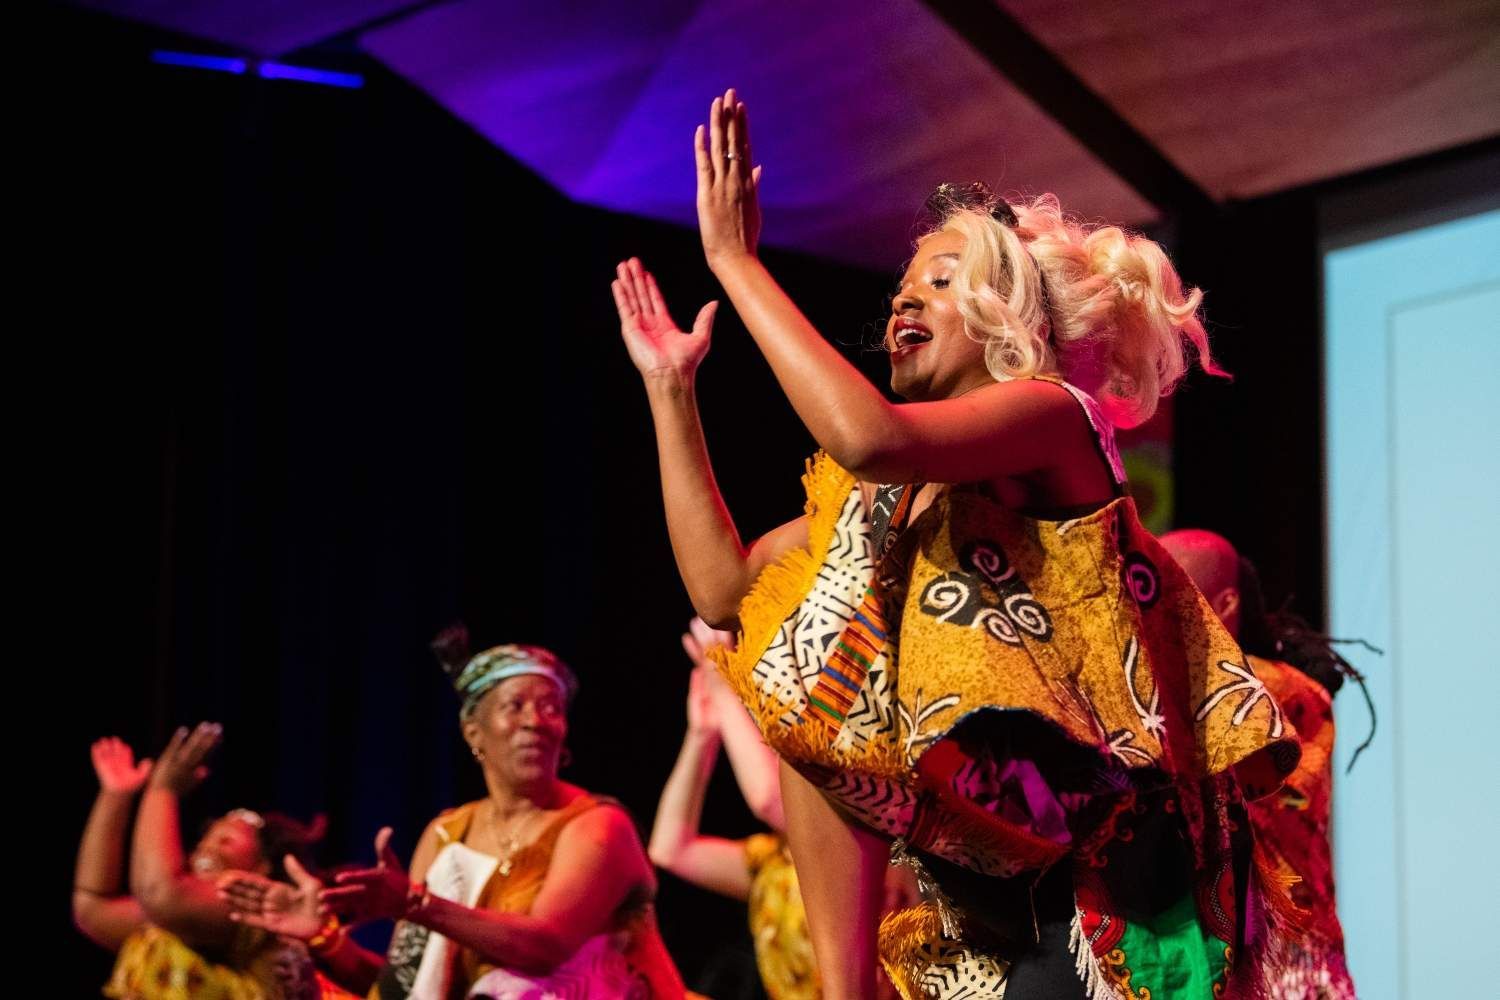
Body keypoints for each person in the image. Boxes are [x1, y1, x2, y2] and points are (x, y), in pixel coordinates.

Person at [614, 87, 1300, 998]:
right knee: (812, 669)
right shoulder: (882, 511)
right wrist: (670, 389)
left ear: (1006, 316)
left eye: (940, 279)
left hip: (1130, 893)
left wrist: (738, 266)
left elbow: (869, 436)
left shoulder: (1058, 418)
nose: (905, 296)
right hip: (1001, 910)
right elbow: (722, 593)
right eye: (902, 285)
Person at [218, 629, 686, 1000]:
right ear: (472, 731)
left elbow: (545, 946)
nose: (535, 721)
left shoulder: (597, 825)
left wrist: (418, 904)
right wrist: (326, 939)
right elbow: (407, 988)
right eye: (515, 706)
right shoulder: (447, 834)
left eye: (551, 708)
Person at [1160, 529, 1364, 1000]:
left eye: (1165, 595)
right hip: (1221, 957)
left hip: (1288, 966)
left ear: (1225, 605)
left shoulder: (1276, 691)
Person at [73, 724, 323, 999]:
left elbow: (161, 893)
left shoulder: (252, 918)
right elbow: (92, 904)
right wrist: (116, 796)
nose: (208, 846)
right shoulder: (169, 924)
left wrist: (163, 789)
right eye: (206, 838)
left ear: (262, 868)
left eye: (226, 839)